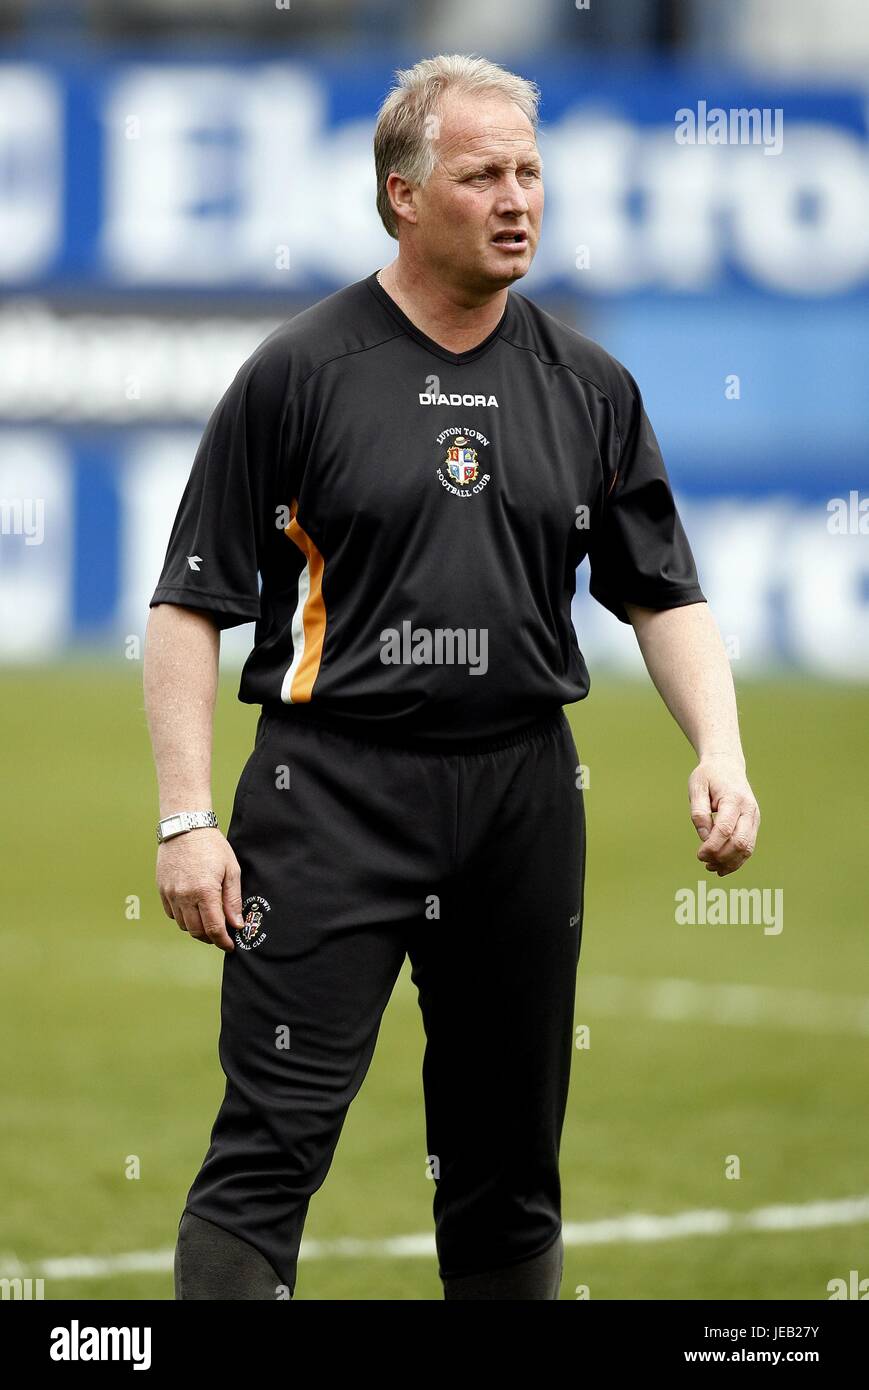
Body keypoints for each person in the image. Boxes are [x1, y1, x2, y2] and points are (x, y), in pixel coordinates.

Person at [143, 53, 760, 1301]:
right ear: (401, 196)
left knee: (505, 1168)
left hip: (524, 798)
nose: (517, 197)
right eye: (481, 174)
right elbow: (189, 605)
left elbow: (659, 588)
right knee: (269, 1150)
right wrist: (187, 818)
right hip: (331, 798)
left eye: (530, 171)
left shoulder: (587, 384)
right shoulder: (297, 375)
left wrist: (719, 747)